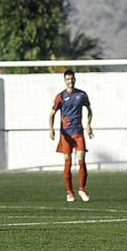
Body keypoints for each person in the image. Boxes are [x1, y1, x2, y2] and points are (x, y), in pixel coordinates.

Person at [49, 68, 93, 202]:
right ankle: (69, 192)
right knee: (67, 164)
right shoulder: (60, 96)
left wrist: (89, 125)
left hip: (78, 133)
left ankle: (82, 189)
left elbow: (89, 110)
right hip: (66, 135)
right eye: (68, 79)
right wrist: (51, 129)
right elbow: (52, 113)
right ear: (64, 80)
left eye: (72, 78)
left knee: (81, 161)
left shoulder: (82, 95)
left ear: (75, 79)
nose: (70, 81)